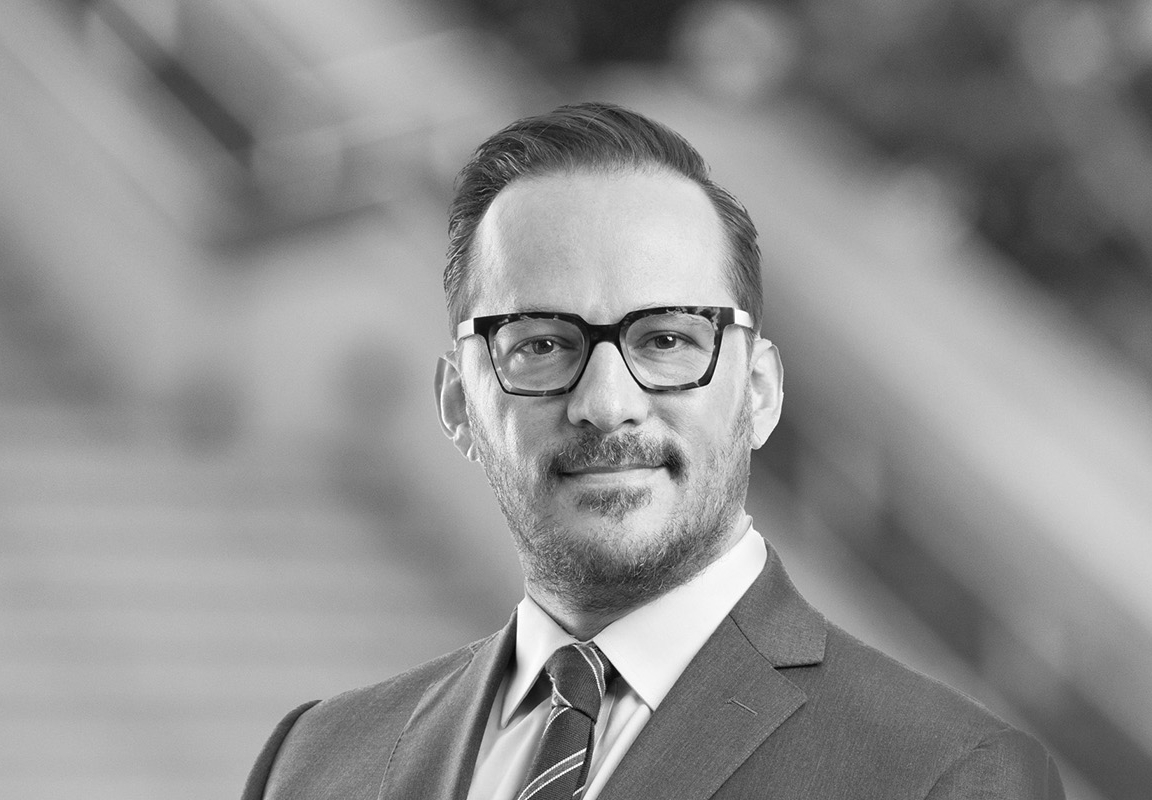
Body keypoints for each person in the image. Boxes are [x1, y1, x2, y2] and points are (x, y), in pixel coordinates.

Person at [241, 102, 1064, 799]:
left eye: (666, 339)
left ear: (760, 391)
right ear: (459, 403)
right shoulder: (313, 763)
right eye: (541, 345)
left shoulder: (949, 775)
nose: (606, 404)